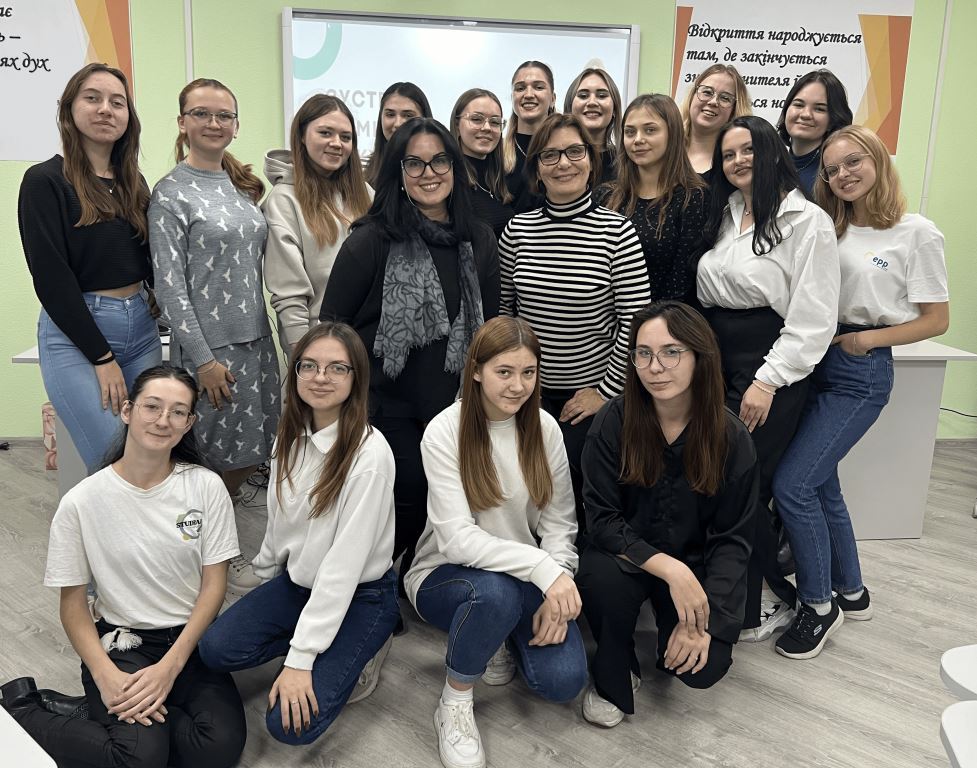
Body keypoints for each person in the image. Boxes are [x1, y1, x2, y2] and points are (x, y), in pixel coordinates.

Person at [1, 365, 245, 768]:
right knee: (139, 758)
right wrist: (104, 675)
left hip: (189, 640)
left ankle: (97, 714)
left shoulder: (206, 486)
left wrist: (170, 667)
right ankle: (23, 710)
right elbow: (73, 605)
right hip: (123, 642)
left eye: (178, 412)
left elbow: (213, 586)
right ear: (128, 410)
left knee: (217, 749)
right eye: (152, 406)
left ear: (189, 423)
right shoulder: (82, 502)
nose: (163, 420)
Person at [772, 126, 949, 659]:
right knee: (822, 484)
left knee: (793, 485)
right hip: (815, 361)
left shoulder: (916, 232)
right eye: (832, 169)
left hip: (861, 369)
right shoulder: (830, 228)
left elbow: (936, 320)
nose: (843, 174)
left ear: (877, 161)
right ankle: (852, 590)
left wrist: (867, 339)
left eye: (854, 162)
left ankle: (818, 605)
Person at [320, 117, 500, 614]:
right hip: (384, 403)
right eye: (414, 163)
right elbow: (332, 327)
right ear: (398, 173)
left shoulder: (478, 239)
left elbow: (487, 328)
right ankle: (366, 588)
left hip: (453, 404)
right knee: (404, 494)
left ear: (454, 167)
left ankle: (402, 581)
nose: (428, 172)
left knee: (441, 497)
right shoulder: (370, 239)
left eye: (439, 160)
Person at [198, 322, 400, 744]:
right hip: (300, 583)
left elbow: (342, 570)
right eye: (309, 365)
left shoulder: (370, 456)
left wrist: (300, 659)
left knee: (289, 726)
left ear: (356, 377)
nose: (320, 377)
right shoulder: (289, 435)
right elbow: (278, 524)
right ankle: (322, 638)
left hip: (360, 594)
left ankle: (366, 643)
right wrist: (264, 585)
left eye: (337, 368)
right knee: (215, 649)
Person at [405, 316, 587, 768]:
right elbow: (458, 541)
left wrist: (558, 583)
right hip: (445, 574)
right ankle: (454, 702)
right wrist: (544, 570)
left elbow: (561, 523)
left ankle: (495, 634)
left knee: (563, 682)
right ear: (476, 371)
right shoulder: (444, 430)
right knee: (495, 594)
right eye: (504, 372)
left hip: (523, 576)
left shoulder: (545, 428)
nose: (517, 385)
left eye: (528, 372)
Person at [577, 301, 757, 727]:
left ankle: (672, 635)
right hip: (626, 557)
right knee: (600, 577)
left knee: (702, 668)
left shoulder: (731, 436)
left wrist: (705, 622)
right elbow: (602, 521)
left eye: (671, 352)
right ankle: (615, 666)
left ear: (699, 356)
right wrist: (671, 570)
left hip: (696, 562)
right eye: (643, 353)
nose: (655, 367)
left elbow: (732, 539)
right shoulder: (613, 420)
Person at [697, 115, 840, 643]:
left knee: (745, 484)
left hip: (769, 362)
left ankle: (775, 597)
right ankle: (740, 595)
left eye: (747, 150)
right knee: (718, 479)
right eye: (728, 154)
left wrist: (767, 381)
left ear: (772, 152)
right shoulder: (727, 212)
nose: (737, 161)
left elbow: (813, 318)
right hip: (717, 359)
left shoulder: (807, 221)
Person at [149, 77, 280, 594]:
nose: (213, 123)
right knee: (209, 464)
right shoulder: (170, 193)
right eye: (201, 113)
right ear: (182, 123)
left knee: (251, 454)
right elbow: (169, 287)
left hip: (256, 344)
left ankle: (211, 545)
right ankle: (204, 559)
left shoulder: (240, 186)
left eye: (224, 115)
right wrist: (202, 359)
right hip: (211, 353)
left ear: (236, 125)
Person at [499, 112, 651, 528]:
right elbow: (504, 315)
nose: (563, 163)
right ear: (537, 169)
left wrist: (604, 393)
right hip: (526, 393)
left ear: (590, 159)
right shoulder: (517, 231)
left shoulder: (618, 232)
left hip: (592, 397)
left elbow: (636, 325)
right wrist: (513, 386)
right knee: (523, 496)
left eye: (574, 152)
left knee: (579, 498)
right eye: (550, 155)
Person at [19, 63, 161, 472]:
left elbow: (148, 261)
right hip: (78, 334)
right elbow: (51, 278)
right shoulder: (44, 180)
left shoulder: (134, 182)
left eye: (117, 102)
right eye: (92, 98)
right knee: (113, 456)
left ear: (128, 116)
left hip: (141, 329)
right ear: (69, 108)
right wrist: (101, 357)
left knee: (150, 450)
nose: (105, 109)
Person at [263, 94, 373, 356]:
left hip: (371, 340)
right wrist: (302, 351)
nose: (336, 143)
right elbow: (288, 290)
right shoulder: (284, 200)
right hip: (320, 344)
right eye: (325, 133)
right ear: (302, 135)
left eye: (345, 137)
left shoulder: (366, 194)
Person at [602, 93, 707, 303]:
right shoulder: (605, 195)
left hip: (662, 318)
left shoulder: (693, 198)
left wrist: (644, 321)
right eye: (630, 132)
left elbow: (681, 282)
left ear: (672, 134)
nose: (638, 139)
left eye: (650, 130)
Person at [775, 69, 853, 195]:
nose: (806, 114)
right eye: (799, 105)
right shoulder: (771, 166)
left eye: (819, 109)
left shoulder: (837, 172)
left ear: (833, 120)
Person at [450, 88, 515, 239]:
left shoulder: (499, 181)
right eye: (477, 119)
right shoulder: (450, 181)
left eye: (495, 122)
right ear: (457, 124)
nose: (487, 128)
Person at [502, 60, 558, 213]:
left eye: (538, 87)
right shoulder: (497, 154)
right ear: (512, 97)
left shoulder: (566, 152)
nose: (528, 95)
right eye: (520, 88)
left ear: (553, 98)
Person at [679, 64, 751, 181]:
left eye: (725, 98)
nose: (713, 102)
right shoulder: (664, 151)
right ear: (692, 96)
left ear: (734, 110)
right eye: (707, 92)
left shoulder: (739, 165)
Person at [363, 82, 432, 185]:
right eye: (390, 114)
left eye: (408, 115)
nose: (398, 124)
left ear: (425, 119)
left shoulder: (443, 168)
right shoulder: (361, 173)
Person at [564, 66, 623, 185]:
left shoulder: (627, 162)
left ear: (614, 109)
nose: (592, 102)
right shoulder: (554, 157)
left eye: (602, 96)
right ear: (570, 107)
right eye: (583, 96)